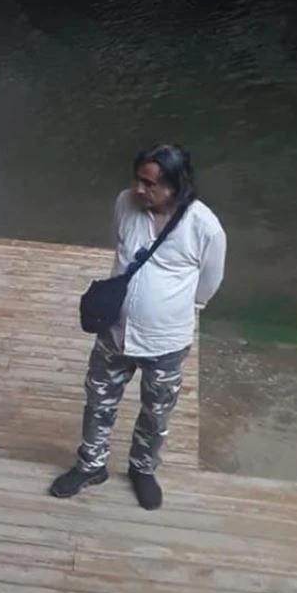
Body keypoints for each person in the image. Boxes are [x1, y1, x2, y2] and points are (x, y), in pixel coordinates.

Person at [49, 144, 227, 511]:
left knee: (156, 410)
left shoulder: (204, 226)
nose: (139, 189)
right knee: (98, 401)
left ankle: (142, 469)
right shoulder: (124, 203)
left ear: (176, 186)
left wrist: (180, 308)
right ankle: (91, 465)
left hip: (167, 341)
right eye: (138, 180)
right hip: (114, 333)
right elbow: (122, 246)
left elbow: (210, 282)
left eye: (150, 184)